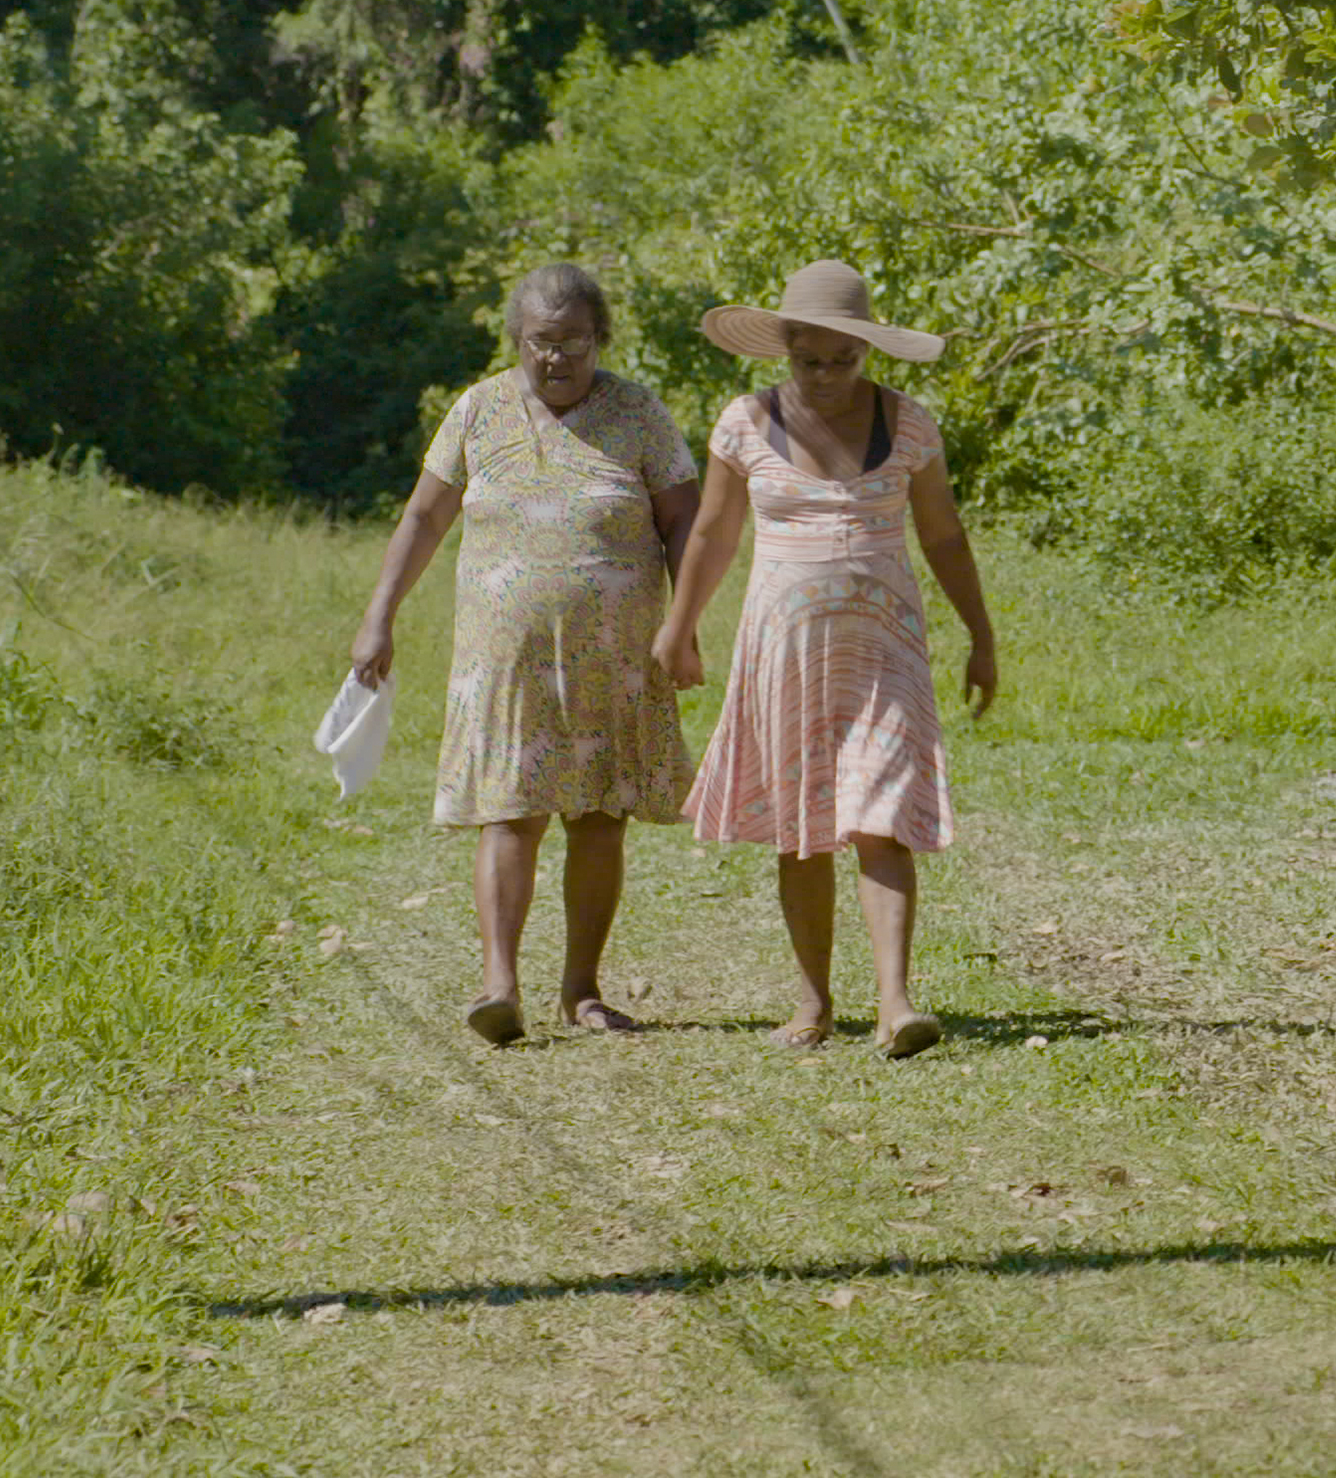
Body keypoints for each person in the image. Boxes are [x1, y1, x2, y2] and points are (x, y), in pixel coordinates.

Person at [654, 259, 998, 1058]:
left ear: (867, 352)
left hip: (886, 651)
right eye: (810, 360)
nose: (827, 375)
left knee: (883, 815)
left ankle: (896, 1004)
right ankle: (813, 1004)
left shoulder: (908, 424)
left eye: (844, 360)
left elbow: (943, 535)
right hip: (786, 652)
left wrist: (982, 636)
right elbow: (712, 532)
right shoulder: (745, 422)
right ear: (786, 350)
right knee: (801, 826)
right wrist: (680, 625)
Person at [352, 263, 701, 1045]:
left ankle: (581, 990)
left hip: (614, 658)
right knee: (508, 811)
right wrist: (380, 616)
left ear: (600, 341)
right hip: (504, 660)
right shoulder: (476, 411)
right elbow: (422, 518)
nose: (558, 359)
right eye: (543, 342)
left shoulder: (639, 413)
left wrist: (684, 622)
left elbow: (685, 522)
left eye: (575, 342)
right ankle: (498, 987)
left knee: (599, 815)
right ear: (519, 339)